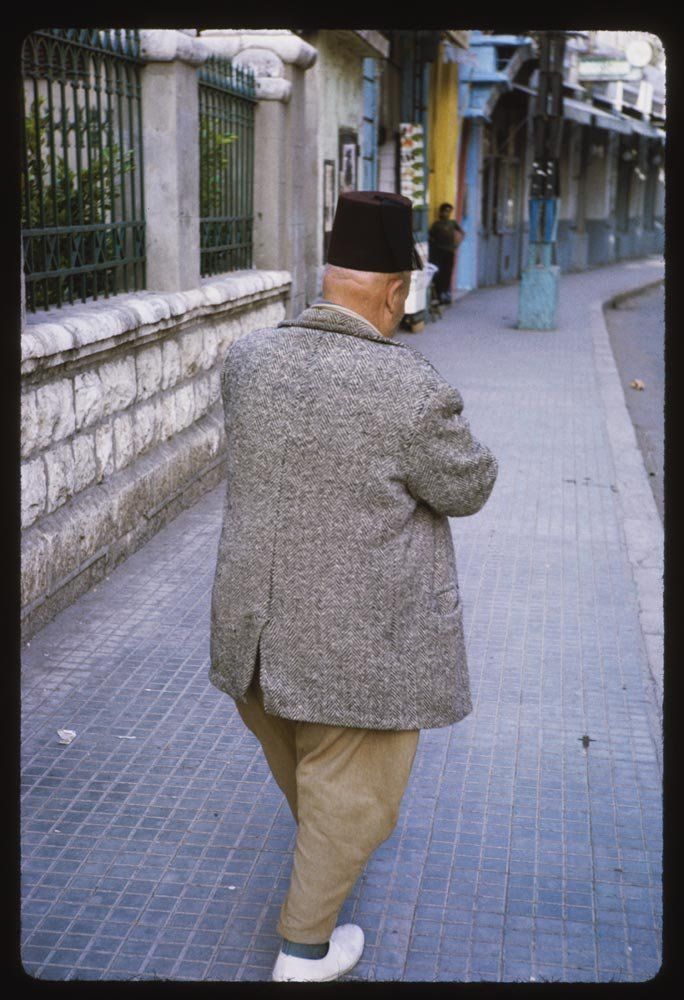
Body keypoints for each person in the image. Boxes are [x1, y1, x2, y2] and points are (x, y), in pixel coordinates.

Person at [209, 190, 498, 983]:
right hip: (354, 646)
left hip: (252, 637)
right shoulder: (407, 387)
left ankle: (325, 869)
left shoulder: (247, 358)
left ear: (329, 275)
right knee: (350, 796)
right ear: (397, 291)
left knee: (314, 780)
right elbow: (467, 486)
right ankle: (304, 952)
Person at [428, 201, 465, 304]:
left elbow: (462, 233)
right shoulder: (436, 224)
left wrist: (456, 245)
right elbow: (430, 237)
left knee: (447, 273)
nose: (446, 214)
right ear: (440, 212)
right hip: (438, 253)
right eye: (445, 211)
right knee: (438, 273)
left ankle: (445, 294)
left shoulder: (452, 223)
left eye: (449, 212)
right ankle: (439, 295)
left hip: (449, 252)